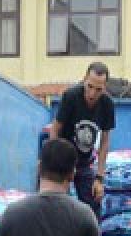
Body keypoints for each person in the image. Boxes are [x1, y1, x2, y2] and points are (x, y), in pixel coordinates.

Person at [49, 62, 116, 218]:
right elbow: (55, 129)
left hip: (84, 162)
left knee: (93, 203)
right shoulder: (71, 96)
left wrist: (99, 178)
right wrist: (53, 162)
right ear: (84, 79)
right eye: (89, 86)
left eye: (98, 89)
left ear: (105, 87)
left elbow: (105, 142)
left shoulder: (107, 104)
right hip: (63, 159)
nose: (92, 94)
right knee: (57, 207)